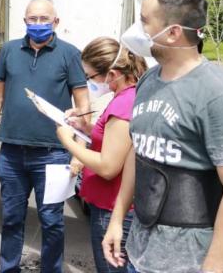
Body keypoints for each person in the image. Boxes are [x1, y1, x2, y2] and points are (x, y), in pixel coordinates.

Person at [102, 0, 223, 273]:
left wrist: (213, 267)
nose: (138, 30)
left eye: (145, 21)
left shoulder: (217, 94)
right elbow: (140, 152)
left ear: (173, 33)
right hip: (140, 254)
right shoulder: (149, 81)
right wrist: (117, 218)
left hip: (191, 262)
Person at [0, 0, 90, 273]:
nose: (38, 24)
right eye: (33, 19)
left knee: (51, 220)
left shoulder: (69, 54)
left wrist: (78, 152)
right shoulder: (9, 51)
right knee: (12, 218)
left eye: (44, 19)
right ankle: (8, 269)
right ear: (24, 21)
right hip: (12, 152)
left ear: (55, 22)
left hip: (53, 152)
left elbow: (84, 108)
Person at [53, 37, 147, 273]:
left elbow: (108, 166)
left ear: (112, 74)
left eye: (91, 77)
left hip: (113, 208)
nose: (89, 82)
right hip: (115, 206)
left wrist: (68, 142)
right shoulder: (129, 97)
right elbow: (116, 142)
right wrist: (85, 129)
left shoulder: (124, 104)